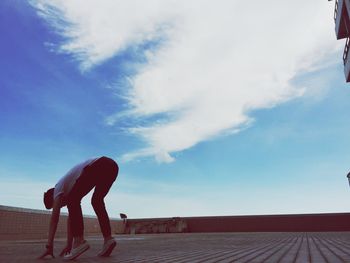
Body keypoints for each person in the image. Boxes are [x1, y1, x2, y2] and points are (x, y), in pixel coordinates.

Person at [38, 156, 119, 260]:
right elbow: (72, 219)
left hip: (99, 165)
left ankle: (79, 242)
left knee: (73, 200)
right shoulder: (68, 188)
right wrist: (69, 245)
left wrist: (49, 246)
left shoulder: (58, 188)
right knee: (96, 201)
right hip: (112, 166)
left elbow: (54, 219)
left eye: (57, 206)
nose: (61, 206)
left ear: (53, 198)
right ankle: (108, 239)